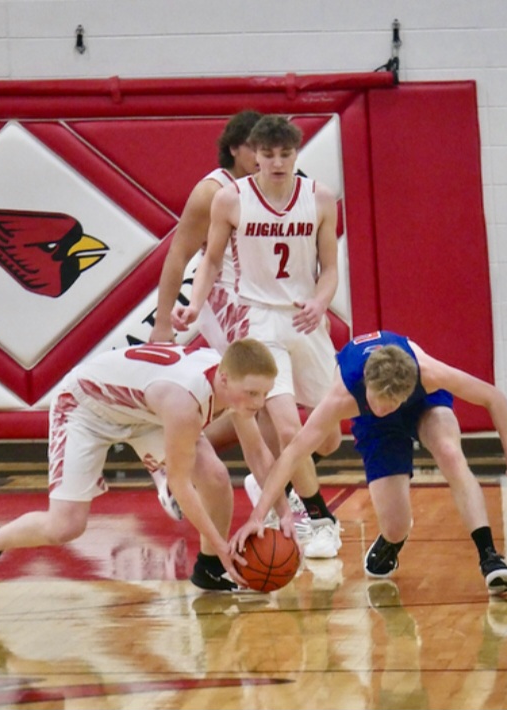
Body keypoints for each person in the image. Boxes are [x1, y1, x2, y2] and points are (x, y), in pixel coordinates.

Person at [0, 338, 280, 599]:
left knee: (216, 477)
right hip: (87, 410)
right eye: (252, 393)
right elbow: (181, 483)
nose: (258, 402)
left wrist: (285, 512)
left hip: (144, 412)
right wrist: (224, 545)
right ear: (224, 378)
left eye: (264, 393)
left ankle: (208, 569)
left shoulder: (232, 383)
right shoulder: (183, 402)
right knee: (65, 527)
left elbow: (259, 455)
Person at [231, 330, 507, 595]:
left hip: (422, 404)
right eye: (381, 402)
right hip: (373, 425)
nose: (387, 408)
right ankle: (392, 540)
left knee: (449, 452)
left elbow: (494, 397)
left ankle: (489, 557)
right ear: (367, 387)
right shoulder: (343, 396)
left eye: (393, 403)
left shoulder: (428, 373)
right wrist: (258, 515)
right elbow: (293, 453)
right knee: (395, 524)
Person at [172, 115, 344, 559]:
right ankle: (320, 520)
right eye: (268, 155)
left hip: (304, 319)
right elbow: (209, 261)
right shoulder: (231, 200)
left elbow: (330, 270)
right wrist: (192, 306)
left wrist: (321, 302)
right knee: (289, 428)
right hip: (257, 321)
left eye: (286, 154)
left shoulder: (321, 198)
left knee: (327, 438)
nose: (277, 162)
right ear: (254, 156)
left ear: (295, 154)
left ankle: (270, 479)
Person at [145, 110, 269, 522]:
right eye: (255, 147)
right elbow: (179, 253)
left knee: (270, 404)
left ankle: (176, 454)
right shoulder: (214, 190)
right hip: (223, 303)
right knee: (258, 398)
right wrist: (163, 325)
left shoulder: (274, 186)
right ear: (235, 148)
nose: (264, 155)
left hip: (264, 304)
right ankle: (272, 489)